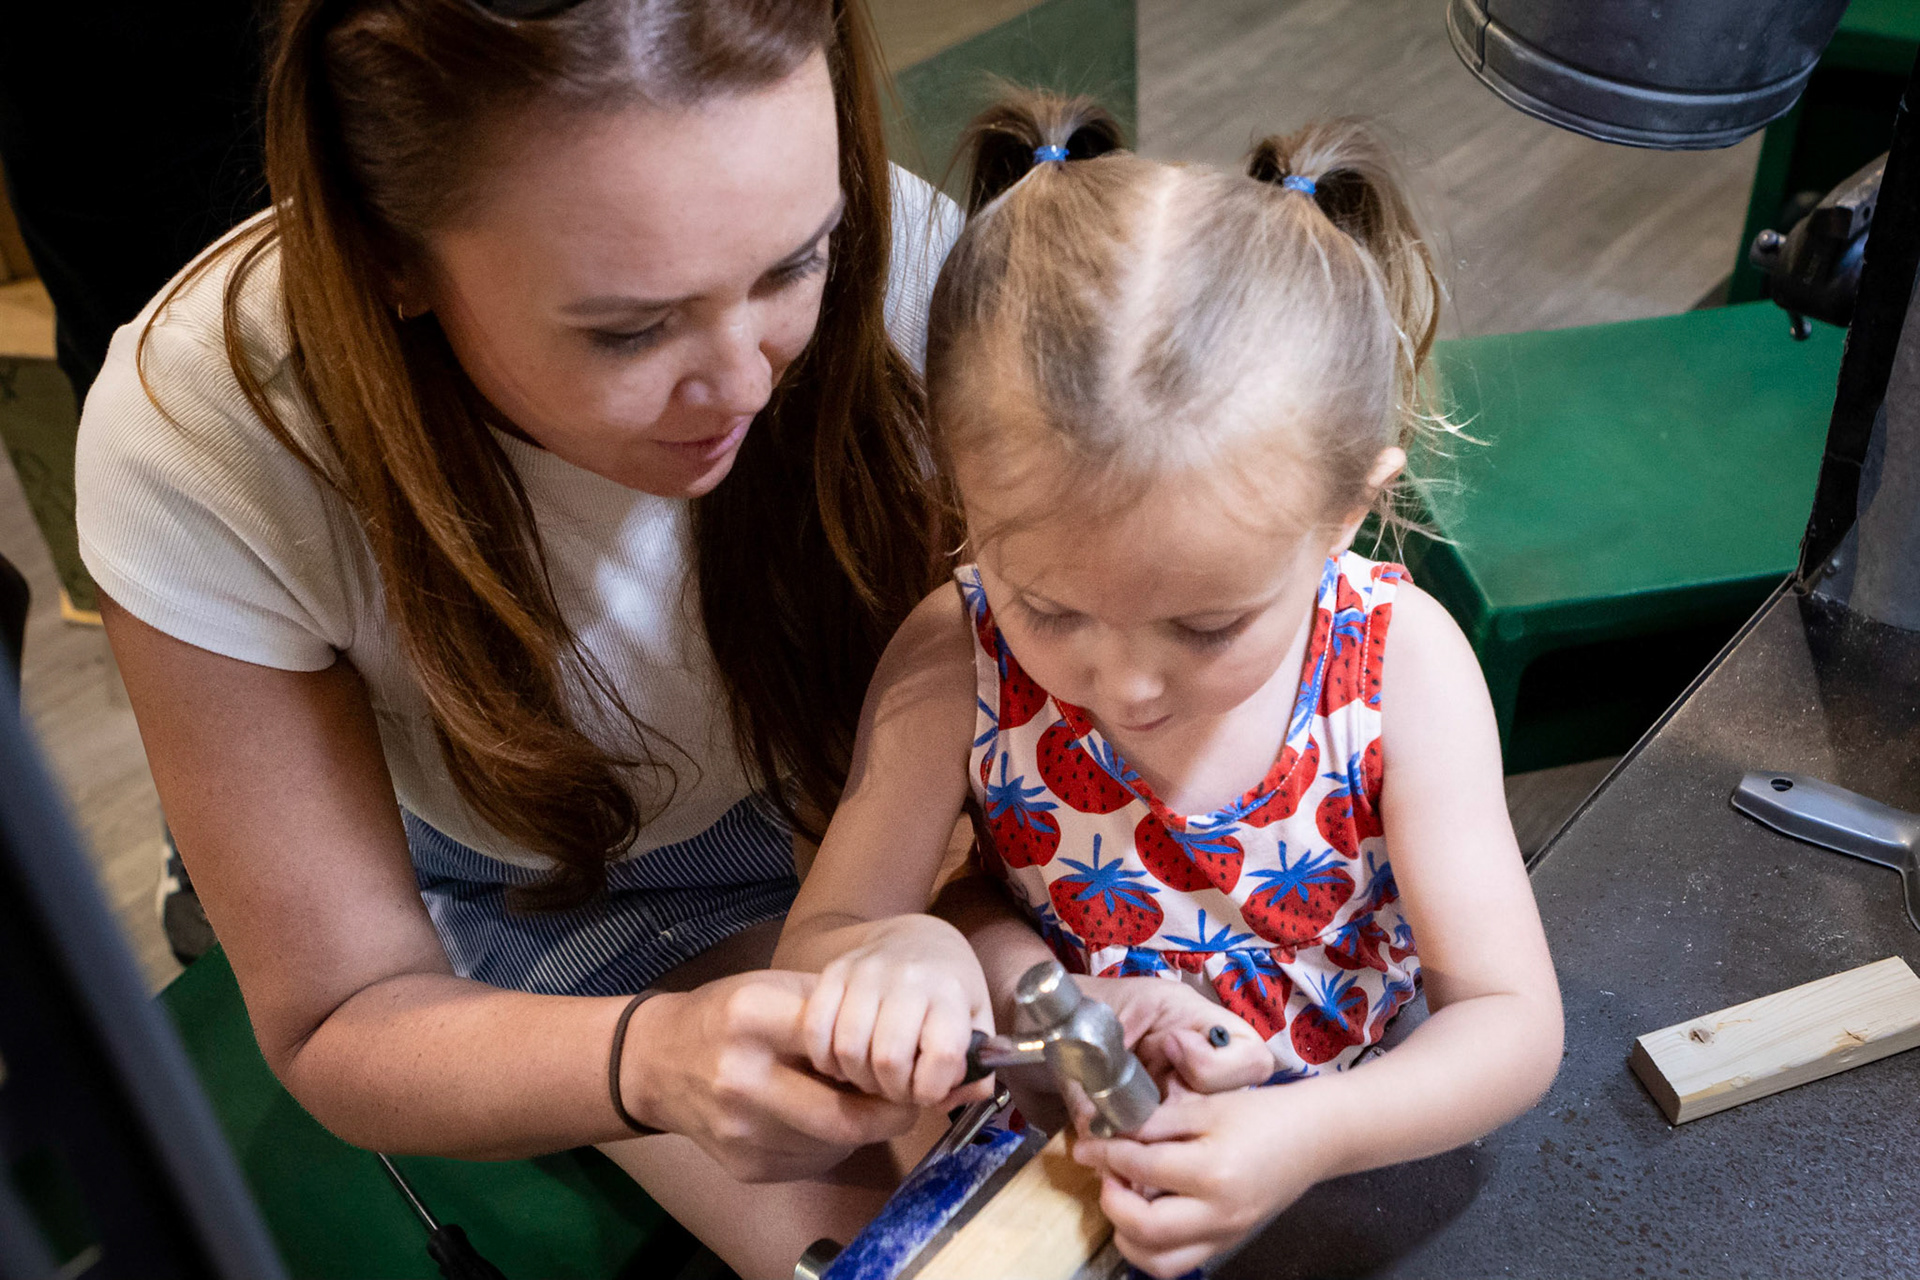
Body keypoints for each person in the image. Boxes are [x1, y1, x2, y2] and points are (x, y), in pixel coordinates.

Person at [79, 1, 993, 1274]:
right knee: (909, 1241)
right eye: (630, 328)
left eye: (796, 263)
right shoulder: (206, 435)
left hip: (864, 816)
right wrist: (656, 1061)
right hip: (542, 893)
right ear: (386, 252)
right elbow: (344, 1013)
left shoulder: (901, 262)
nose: (743, 380)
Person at [774, 92, 1566, 1278]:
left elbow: (1509, 1020)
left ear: (1348, 506)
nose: (1127, 683)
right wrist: (916, 958)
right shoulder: (956, 655)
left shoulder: (1399, 665)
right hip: (1063, 1168)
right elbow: (816, 948)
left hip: (1349, 1150)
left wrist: (1303, 1133)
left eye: (1205, 623)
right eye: (1051, 605)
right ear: (964, 497)